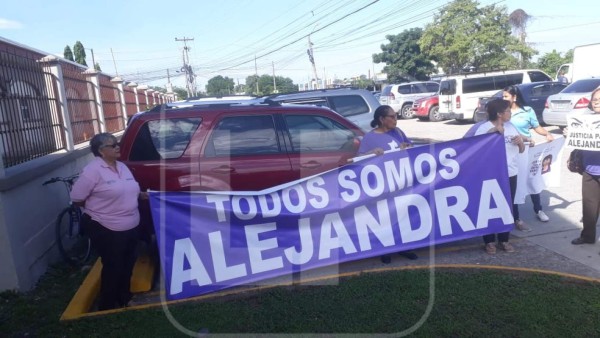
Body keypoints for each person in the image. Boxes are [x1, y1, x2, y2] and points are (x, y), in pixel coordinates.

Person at [70, 133, 147, 310]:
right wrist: (101, 209)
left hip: (131, 225)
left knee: (128, 263)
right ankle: (108, 304)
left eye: (117, 143)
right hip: (107, 227)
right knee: (113, 266)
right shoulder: (93, 171)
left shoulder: (122, 167)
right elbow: (77, 198)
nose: (117, 147)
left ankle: (124, 297)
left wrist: (141, 195)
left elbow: (130, 189)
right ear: (101, 151)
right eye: (112, 145)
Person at [357, 105, 418, 264]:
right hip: (384, 184)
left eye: (396, 116)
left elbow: (411, 147)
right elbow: (359, 159)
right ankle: (385, 249)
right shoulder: (370, 138)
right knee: (385, 216)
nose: (395, 119)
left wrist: (407, 147)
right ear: (381, 119)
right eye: (392, 116)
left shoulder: (398, 132)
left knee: (402, 214)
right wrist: (370, 153)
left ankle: (404, 246)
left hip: (401, 181)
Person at [473, 99, 525, 254]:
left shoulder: (511, 127)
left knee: (506, 208)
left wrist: (520, 143)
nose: (511, 113)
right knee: (489, 208)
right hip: (490, 175)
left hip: (510, 173)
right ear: (499, 114)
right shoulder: (484, 128)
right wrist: (493, 133)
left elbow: (521, 150)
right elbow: (475, 149)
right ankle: (489, 241)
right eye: (508, 111)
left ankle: (504, 239)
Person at [503, 85, 554, 229]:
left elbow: (536, 127)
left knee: (532, 178)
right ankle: (516, 217)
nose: (504, 99)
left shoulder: (527, 111)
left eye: (506, 96)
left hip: (527, 149)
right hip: (512, 152)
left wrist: (546, 134)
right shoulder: (503, 112)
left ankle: (538, 209)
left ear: (515, 97)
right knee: (515, 182)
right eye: (503, 96)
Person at [572, 87, 600, 246]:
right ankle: (587, 236)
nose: (596, 103)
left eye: (599, 100)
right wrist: (571, 134)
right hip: (590, 170)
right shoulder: (585, 120)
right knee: (589, 207)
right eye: (594, 100)